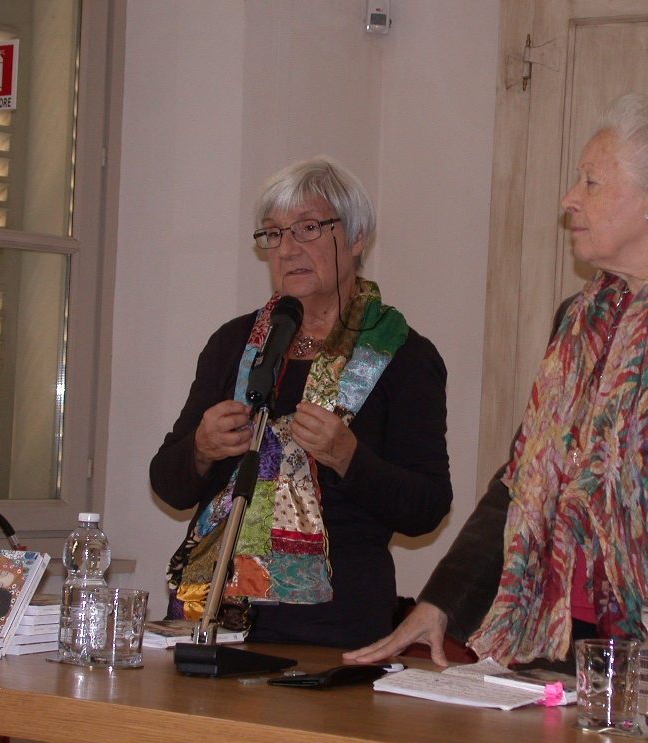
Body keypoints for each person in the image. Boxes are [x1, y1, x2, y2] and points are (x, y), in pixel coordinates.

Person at [347, 95, 648, 710]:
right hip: (573, 657)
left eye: (592, 182)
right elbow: (522, 480)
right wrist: (439, 604)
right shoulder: (579, 320)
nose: (569, 199)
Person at [150, 156, 452, 649]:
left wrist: (348, 459)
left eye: (307, 228)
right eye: (273, 233)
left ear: (356, 239)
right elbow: (168, 482)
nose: (287, 249)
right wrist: (201, 449)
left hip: (335, 629)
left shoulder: (404, 357)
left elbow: (427, 508)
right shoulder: (234, 344)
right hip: (212, 619)